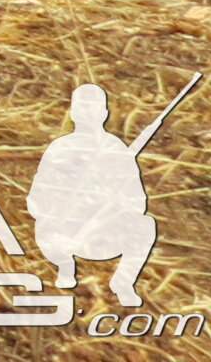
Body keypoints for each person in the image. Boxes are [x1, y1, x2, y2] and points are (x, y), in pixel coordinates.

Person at [28, 84, 159, 309]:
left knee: (145, 225)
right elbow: (38, 195)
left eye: (94, 109)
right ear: (74, 113)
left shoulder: (115, 148)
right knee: (47, 228)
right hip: (64, 230)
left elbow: (137, 200)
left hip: (103, 232)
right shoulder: (60, 148)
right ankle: (65, 266)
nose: (88, 115)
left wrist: (115, 204)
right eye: (83, 109)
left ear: (104, 113)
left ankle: (123, 282)